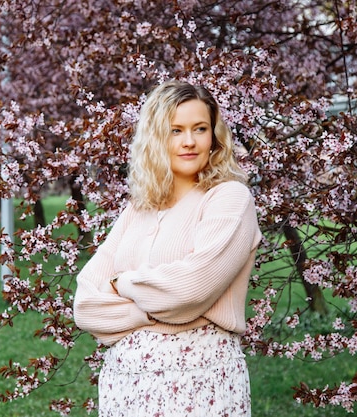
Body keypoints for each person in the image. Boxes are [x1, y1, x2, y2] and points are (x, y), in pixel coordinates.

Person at [74, 80, 261, 417]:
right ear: (157, 138)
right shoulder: (140, 207)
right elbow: (85, 306)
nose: (189, 141)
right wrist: (152, 311)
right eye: (176, 130)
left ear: (214, 136)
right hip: (125, 389)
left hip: (199, 385)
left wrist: (120, 285)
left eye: (200, 129)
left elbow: (190, 289)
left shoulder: (228, 198)